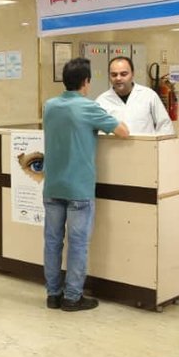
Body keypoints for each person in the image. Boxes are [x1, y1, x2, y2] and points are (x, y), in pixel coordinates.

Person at [42, 57, 129, 312]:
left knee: (52, 242)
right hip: (79, 189)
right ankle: (72, 297)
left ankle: (53, 295)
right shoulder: (89, 107)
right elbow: (123, 131)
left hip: (53, 186)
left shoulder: (49, 106)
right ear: (86, 82)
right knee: (78, 244)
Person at [95, 56, 174, 135]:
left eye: (123, 74)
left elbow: (165, 126)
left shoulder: (149, 96)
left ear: (132, 74)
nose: (118, 78)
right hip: (114, 143)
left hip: (144, 143)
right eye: (114, 75)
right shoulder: (101, 101)